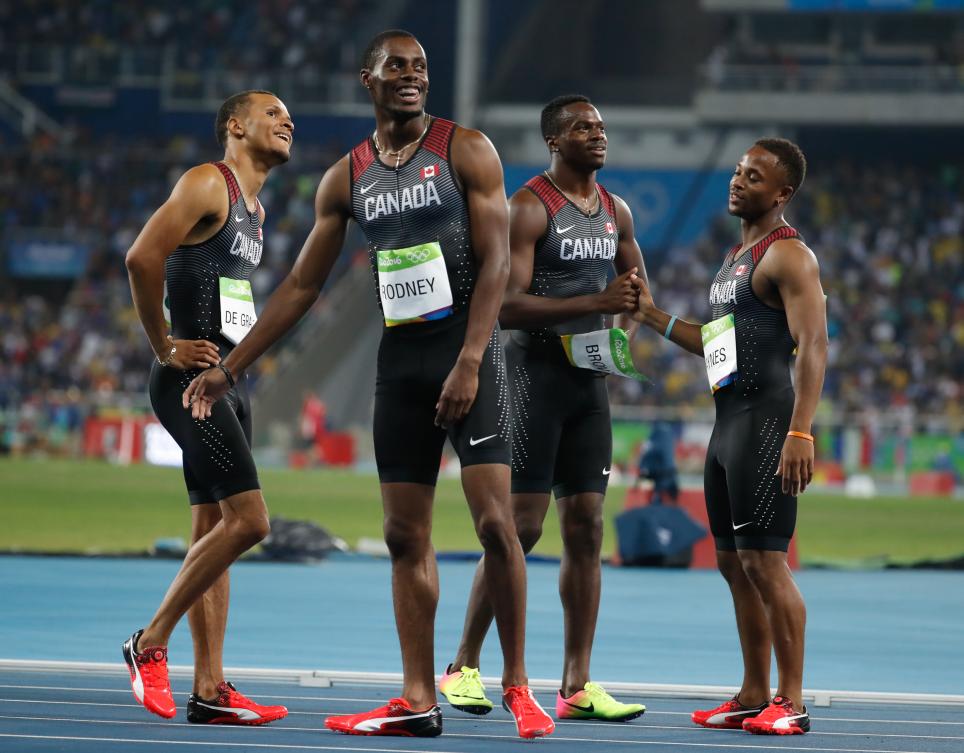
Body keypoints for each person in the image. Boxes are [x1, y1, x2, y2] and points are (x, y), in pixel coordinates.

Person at [182, 30, 554, 740]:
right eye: (397, 67)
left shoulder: (465, 149)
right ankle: (417, 697)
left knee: (495, 525)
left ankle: (517, 686)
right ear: (369, 79)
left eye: (419, 67)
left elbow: (498, 261)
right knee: (400, 533)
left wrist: (473, 358)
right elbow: (300, 287)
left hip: (469, 357)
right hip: (402, 367)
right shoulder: (346, 177)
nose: (411, 76)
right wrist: (232, 365)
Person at [439, 94, 646, 723]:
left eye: (603, 127)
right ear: (555, 141)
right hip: (530, 378)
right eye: (584, 128)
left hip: (589, 387)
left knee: (586, 529)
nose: (599, 135)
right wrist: (596, 309)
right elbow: (508, 305)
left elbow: (635, 291)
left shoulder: (616, 210)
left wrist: (621, 331)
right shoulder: (528, 207)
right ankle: (464, 665)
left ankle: (577, 683)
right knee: (518, 529)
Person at [634, 138, 827, 735]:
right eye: (739, 171)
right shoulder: (733, 258)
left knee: (767, 564)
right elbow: (718, 346)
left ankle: (790, 703)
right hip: (728, 427)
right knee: (732, 564)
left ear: (782, 193)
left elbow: (814, 346)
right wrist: (653, 316)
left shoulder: (790, 256)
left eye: (755, 175)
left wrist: (801, 429)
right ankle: (753, 691)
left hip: (769, 423)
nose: (739, 181)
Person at [122, 90, 292, 725]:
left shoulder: (256, 207)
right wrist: (163, 346)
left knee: (210, 533)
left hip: (225, 379)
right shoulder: (206, 183)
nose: (287, 122)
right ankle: (149, 644)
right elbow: (142, 257)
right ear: (235, 126)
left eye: (288, 116)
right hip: (190, 383)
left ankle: (210, 689)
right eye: (272, 114)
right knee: (250, 524)